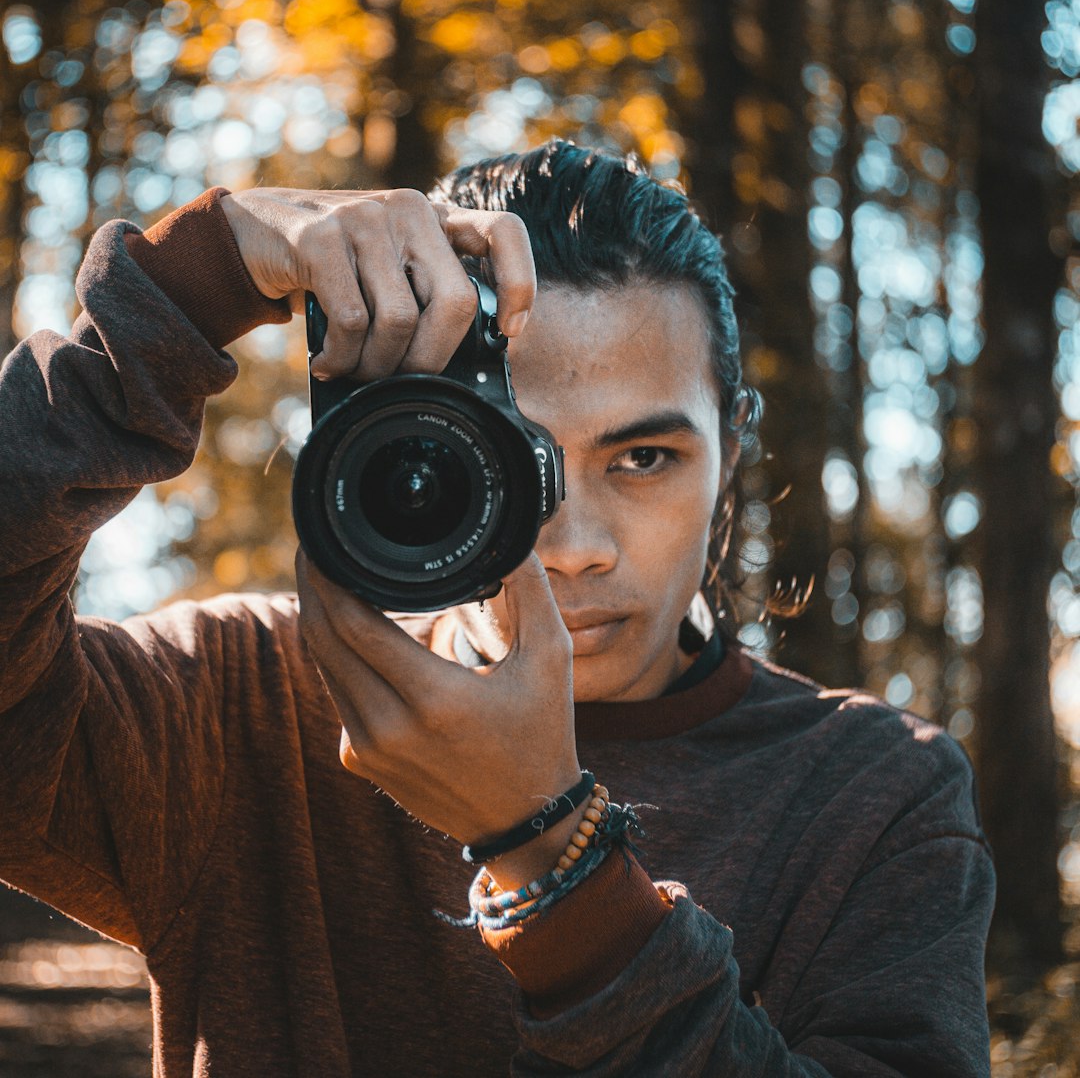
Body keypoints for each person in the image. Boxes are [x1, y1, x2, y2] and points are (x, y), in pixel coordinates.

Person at [0, 139, 993, 1076]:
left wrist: (546, 843)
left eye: (644, 458)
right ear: (384, 433)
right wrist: (189, 280)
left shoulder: (871, 793)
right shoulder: (239, 704)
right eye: (504, 459)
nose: (572, 546)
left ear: (730, 452)